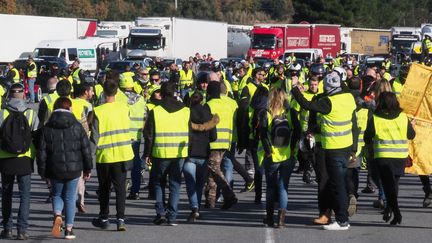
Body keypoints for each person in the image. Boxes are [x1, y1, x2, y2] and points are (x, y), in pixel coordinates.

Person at [292, 71, 358, 230]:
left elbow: (306, 105)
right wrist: (354, 148)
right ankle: (339, 214)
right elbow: (354, 124)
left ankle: (342, 220)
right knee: (338, 183)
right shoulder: (349, 98)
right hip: (346, 147)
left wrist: (295, 89)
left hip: (333, 147)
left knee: (336, 184)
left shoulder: (328, 102)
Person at [37, 97, 92, 239]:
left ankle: (57, 214)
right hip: (74, 168)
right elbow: (86, 149)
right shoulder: (77, 126)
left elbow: (41, 152)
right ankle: (69, 229)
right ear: (70, 109)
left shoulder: (47, 127)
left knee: (56, 194)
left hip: (54, 168)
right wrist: (88, 168)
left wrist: (42, 171)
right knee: (70, 197)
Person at [364, 92, 415, 225]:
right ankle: (390, 209)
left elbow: (367, 137)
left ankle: (396, 212)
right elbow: (411, 135)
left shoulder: (375, 118)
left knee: (388, 187)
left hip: (383, 156)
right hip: (400, 157)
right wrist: (412, 126)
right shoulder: (403, 117)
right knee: (393, 185)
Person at [143, 82, 190, 226]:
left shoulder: (155, 111)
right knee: (175, 184)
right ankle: (172, 216)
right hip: (179, 154)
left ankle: (160, 213)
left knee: (159, 183)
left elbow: (149, 135)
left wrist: (147, 153)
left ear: (161, 94)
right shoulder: (185, 110)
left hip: (160, 153)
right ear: (175, 93)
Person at [90, 79, 133, 231]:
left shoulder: (98, 111)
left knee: (104, 188)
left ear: (103, 92)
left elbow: (94, 136)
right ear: (116, 92)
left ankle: (104, 217)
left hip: (105, 155)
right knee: (120, 188)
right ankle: (120, 219)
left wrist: (88, 157)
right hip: (122, 153)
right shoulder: (124, 108)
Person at [0, 83, 39, 240]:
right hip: (24, 159)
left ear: (9, 95)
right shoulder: (30, 113)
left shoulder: (2, 113)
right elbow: (37, 138)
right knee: (25, 195)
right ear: (23, 95)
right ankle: (22, 230)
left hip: (5, 159)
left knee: (6, 194)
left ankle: (7, 228)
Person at [258, 88, 300, 228]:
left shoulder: (266, 113)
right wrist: (293, 148)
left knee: (270, 188)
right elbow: (298, 131)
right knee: (283, 187)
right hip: (287, 154)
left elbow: (263, 134)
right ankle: (281, 220)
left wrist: (268, 151)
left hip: (273, 155)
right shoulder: (290, 112)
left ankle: (270, 218)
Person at [183, 91, 217, 222]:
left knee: (190, 183)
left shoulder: (186, 114)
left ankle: (194, 208)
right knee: (199, 184)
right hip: (203, 153)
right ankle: (197, 208)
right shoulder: (209, 115)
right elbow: (214, 137)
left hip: (189, 153)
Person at [204, 80, 238, 209]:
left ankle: (229, 196)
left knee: (214, 170)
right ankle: (210, 200)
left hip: (213, 142)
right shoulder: (231, 103)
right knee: (212, 170)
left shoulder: (209, 104)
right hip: (227, 140)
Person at [119, 75, 147, 201]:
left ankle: (121, 188)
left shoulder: (117, 98)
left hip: (121, 135)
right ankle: (135, 191)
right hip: (136, 136)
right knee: (135, 164)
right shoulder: (140, 99)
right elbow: (145, 116)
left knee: (120, 164)